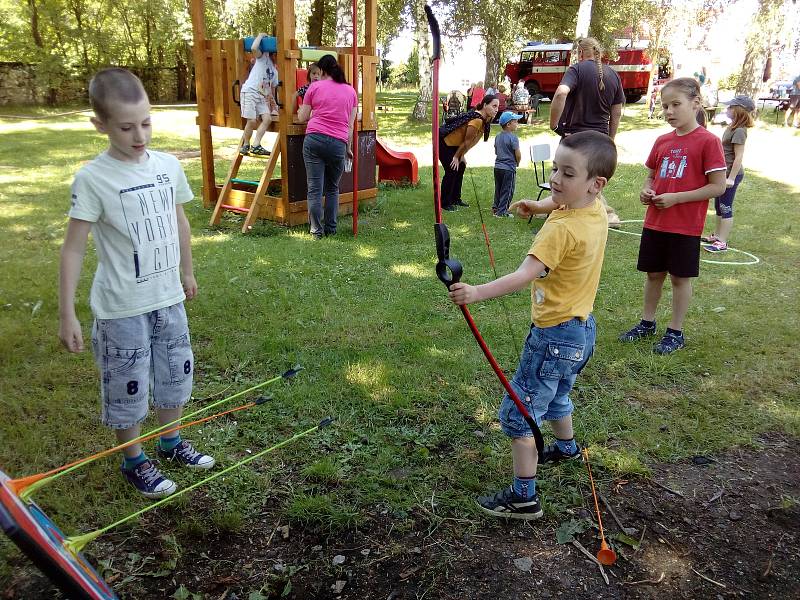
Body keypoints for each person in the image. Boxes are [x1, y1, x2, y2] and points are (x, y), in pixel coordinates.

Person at [58, 68, 214, 500]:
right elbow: (73, 248)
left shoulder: (166, 166)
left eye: (145, 123)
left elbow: (179, 222)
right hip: (121, 307)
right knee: (128, 386)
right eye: (126, 127)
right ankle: (134, 460)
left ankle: (171, 441)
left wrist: (186, 271)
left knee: (174, 374)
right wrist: (67, 312)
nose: (139, 135)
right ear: (100, 126)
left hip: (168, 298)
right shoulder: (94, 179)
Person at [447, 131, 618, 519]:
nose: (556, 178)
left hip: (554, 335)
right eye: (556, 168)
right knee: (556, 393)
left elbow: (525, 274)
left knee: (518, 411)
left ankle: (523, 495)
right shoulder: (594, 209)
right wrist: (539, 206)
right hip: (581, 332)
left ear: (595, 183)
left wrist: (476, 292)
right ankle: (567, 446)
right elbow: (563, 201)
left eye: (567, 173)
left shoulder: (562, 231)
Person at [619, 77, 726, 354]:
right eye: (665, 106)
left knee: (679, 278)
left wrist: (677, 198)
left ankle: (675, 331)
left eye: (676, 104)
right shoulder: (662, 141)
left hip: (685, 226)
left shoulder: (708, 141)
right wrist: (646, 190)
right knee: (653, 274)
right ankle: (647, 323)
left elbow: (717, 186)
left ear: (696, 103)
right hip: (656, 222)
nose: (669, 111)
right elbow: (651, 175)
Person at [550, 38, 624, 228]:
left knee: (567, 178)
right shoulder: (613, 75)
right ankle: (596, 215)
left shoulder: (577, 69)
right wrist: (610, 139)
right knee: (589, 181)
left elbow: (560, 93)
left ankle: (607, 214)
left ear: (580, 53)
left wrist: (553, 124)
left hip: (576, 139)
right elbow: (616, 112)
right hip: (599, 139)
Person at [297, 54, 357, 239]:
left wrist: (307, 110)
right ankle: (331, 229)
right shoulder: (351, 91)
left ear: (322, 71)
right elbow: (350, 126)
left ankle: (316, 231)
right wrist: (348, 148)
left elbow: (302, 117)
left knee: (315, 188)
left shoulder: (314, 87)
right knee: (332, 188)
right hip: (338, 143)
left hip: (314, 140)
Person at [703, 95, 755, 253]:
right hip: (723, 174)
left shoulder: (739, 131)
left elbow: (738, 156)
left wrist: (731, 178)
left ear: (739, 110)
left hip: (731, 175)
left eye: (731, 107)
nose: (727, 109)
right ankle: (717, 235)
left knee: (726, 206)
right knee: (718, 206)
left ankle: (722, 242)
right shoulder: (732, 127)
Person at [438, 94, 500, 211]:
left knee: (460, 166)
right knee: (451, 169)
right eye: (494, 106)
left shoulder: (484, 119)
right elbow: (467, 141)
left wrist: (461, 156)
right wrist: (456, 156)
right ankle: (445, 203)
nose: (496, 109)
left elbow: (470, 142)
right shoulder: (477, 120)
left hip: (454, 145)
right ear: (485, 105)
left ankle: (455, 198)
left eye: (497, 106)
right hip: (444, 142)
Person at [239, 33, 279, 156]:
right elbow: (254, 48)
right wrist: (261, 35)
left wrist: (275, 106)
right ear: (272, 53)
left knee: (267, 119)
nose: (277, 57)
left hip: (261, 95)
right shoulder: (263, 59)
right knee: (251, 121)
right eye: (276, 54)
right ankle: (246, 144)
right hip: (250, 92)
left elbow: (270, 89)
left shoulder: (275, 71)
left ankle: (256, 144)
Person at [492, 111, 522, 218]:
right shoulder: (513, 138)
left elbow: (496, 151)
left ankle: (496, 208)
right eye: (515, 121)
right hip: (509, 168)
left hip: (498, 167)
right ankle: (502, 212)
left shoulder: (497, 136)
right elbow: (517, 154)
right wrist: (517, 163)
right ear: (508, 124)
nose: (517, 123)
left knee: (498, 188)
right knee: (507, 190)